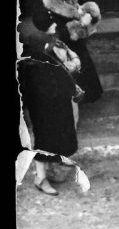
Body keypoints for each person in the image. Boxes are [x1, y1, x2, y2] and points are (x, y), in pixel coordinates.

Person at [17, 33, 82, 195]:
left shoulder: (51, 51)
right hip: (42, 108)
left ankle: (53, 166)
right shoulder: (31, 63)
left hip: (57, 104)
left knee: (57, 137)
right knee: (44, 141)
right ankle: (40, 178)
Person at [34, 0, 102, 102]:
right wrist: (80, 23)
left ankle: (89, 95)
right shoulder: (47, 11)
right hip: (65, 48)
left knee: (86, 74)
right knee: (73, 78)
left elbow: (84, 7)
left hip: (78, 45)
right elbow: (56, 34)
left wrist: (90, 14)